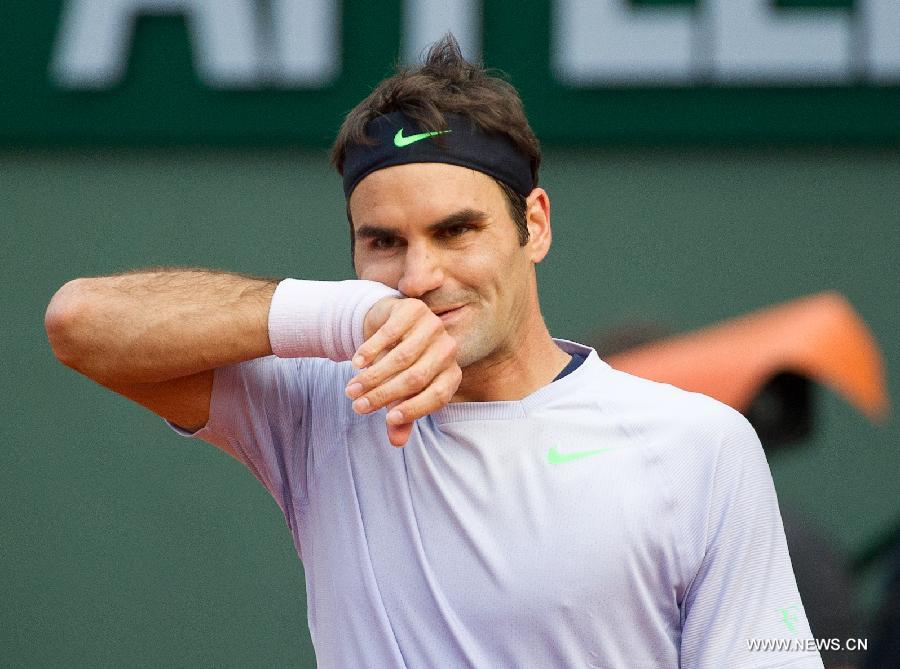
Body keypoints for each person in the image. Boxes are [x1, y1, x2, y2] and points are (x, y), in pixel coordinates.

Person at [45, 35, 824, 669]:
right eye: (384, 243)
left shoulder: (701, 447)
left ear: (536, 225)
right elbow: (79, 321)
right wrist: (342, 313)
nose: (420, 277)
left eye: (457, 231)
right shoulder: (323, 403)